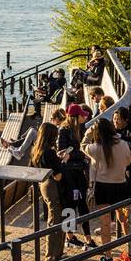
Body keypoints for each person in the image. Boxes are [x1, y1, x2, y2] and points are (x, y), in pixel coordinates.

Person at [83, 117, 131, 261]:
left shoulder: (96, 148)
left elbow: (82, 145)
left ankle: (108, 256)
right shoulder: (123, 144)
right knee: (124, 219)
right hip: (120, 185)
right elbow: (130, 160)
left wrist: (89, 132)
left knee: (105, 222)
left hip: (102, 187)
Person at [57, 104, 94, 248]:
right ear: (75, 117)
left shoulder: (82, 129)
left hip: (80, 171)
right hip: (69, 173)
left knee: (83, 204)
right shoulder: (64, 131)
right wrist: (83, 155)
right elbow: (62, 152)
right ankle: (70, 236)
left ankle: (88, 238)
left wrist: (82, 155)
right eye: (81, 115)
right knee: (69, 205)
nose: (84, 117)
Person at [30, 122, 66, 261]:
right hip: (53, 186)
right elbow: (58, 176)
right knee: (56, 219)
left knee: (55, 218)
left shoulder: (36, 150)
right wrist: (63, 161)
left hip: (42, 185)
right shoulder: (49, 152)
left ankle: (55, 253)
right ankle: (51, 255)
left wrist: (57, 158)